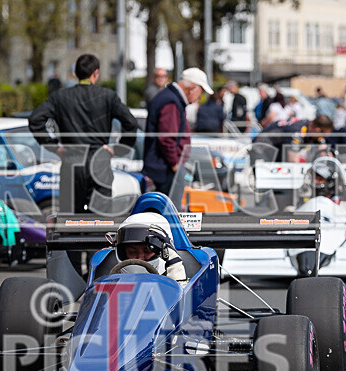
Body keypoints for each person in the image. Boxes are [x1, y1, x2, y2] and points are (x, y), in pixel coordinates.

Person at [29, 54, 138, 215]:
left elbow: (35, 119)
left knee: (70, 218)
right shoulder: (107, 96)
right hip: (99, 160)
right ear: (96, 73)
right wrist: (118, 149)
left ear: (76, 73)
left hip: (72, 160)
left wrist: (54, 147)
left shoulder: (61, 97)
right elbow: (131, 123)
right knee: (103, 219)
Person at [143, 67, 213, 200]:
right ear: (192, 87)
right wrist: (175, 164)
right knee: (171, 213)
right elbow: (167, 138)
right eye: (201, 92)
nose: (200, 96)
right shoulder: (171, 102)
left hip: (163, 167)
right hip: (165, 169)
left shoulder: (169, 98)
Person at [114, 212, 186, 282]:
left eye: (147, 251)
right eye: (132, 252)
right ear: (122, 252)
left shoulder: (177, 278)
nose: (140, 258)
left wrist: (175, 266)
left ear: (164, 250)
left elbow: (181, 292)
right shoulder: (110, 281)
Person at [253, 114, 335, 163]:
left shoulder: (311, 129)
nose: (322, 138)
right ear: (318, 130)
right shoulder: (297, 130)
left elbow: (323, 150)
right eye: (323, 135)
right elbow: (293, 159)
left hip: (276, 150)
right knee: (268, 184)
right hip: (261, 149)